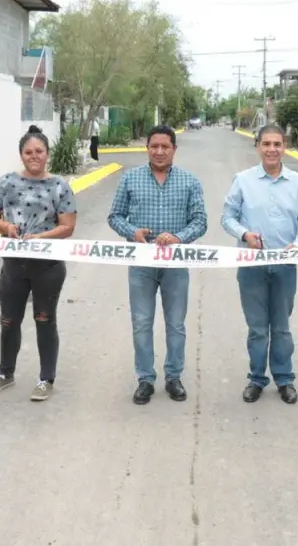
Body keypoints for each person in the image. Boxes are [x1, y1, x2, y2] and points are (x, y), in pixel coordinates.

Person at [107, 125, 207, 405]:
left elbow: (200, 221)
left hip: (175, 265)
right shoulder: (130, 179)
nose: (159, 151)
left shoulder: (189, 182)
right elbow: (115, 216)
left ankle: (174, 377)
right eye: (154, 146)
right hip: (141, 264)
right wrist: (132, 232)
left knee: (176, 324)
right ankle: (145, 379)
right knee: (141, 323)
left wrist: (178, 238)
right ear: (147, 148)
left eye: (165, 146)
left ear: (175, 149)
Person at [221, 124, 298, 404]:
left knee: (282, 326)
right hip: (251, 265)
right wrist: (244, 234)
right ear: (258, 147)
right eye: (266, 144)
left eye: (277, 144)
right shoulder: (243, 180)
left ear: (284, 146)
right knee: (257, 328)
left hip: (285, 266)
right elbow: (228, 218)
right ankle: (256, 379)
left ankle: (285, 379)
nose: (272, 149)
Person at [0, 125, 78, 402]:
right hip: (13, 264)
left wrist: (41, 237)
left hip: (47, 267)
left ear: (47, 154)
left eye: (39, 151)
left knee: (44, 320)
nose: (34, 156)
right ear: (21, 155)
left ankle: (46, 379)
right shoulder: (5, 183)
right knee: (8, 320)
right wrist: (7, 227)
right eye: (28, 152)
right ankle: (5, 374)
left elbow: (68, 226)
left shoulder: (60, 186)